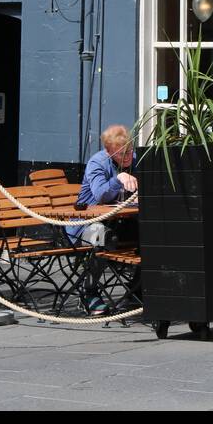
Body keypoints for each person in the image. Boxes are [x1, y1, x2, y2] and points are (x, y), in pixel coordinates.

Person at [69, 124, 139, 312]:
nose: (127, 158)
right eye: (120, 154)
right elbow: (100, 195)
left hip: (119, 221)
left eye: (129, 151)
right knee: (104, 238)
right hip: (84, 225)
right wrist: (119, 179)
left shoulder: (135, 159)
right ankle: (89, 293)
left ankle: (137, 290)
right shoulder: (97, 163)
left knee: (150, 234)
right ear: (108, 151)